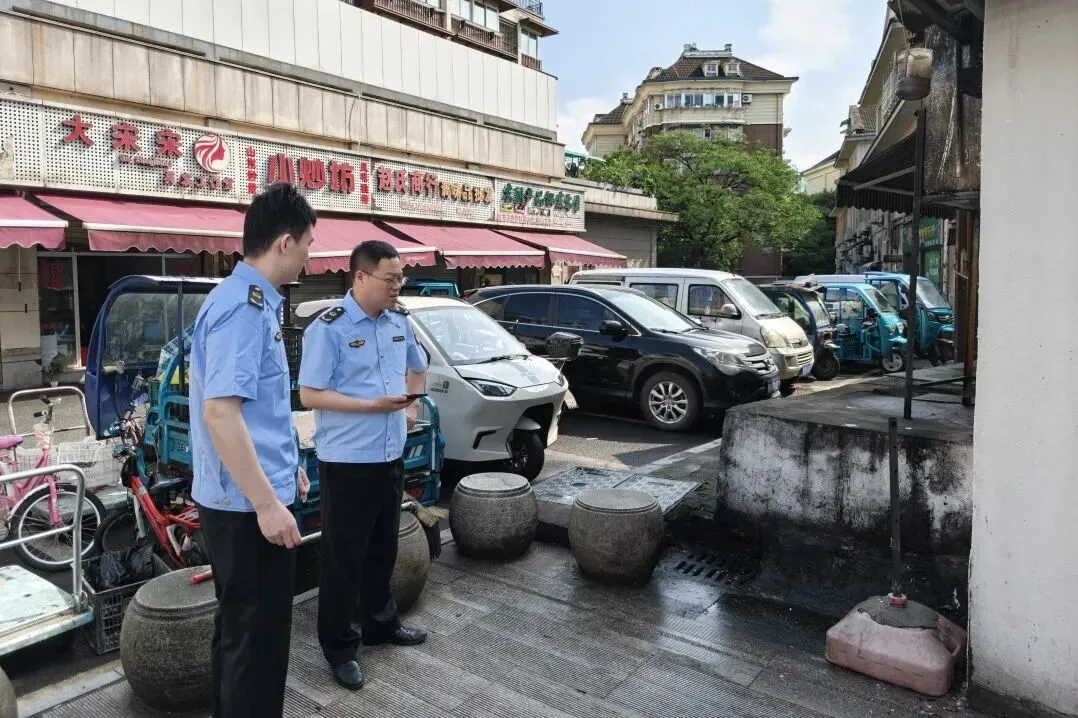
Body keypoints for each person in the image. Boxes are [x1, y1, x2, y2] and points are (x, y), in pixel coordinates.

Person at [189, 182, 316, 718]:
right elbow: (221, 414)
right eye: (308, 243)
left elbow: (260, 407)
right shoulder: (241, 308)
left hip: (251, 496)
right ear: (285, 242)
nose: (310, 256)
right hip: (245, 509)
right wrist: (267, 503)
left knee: (242, 633)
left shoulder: (255, 302)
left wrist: (290, 470)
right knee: (257, 643)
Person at [297, 239, 429, 690]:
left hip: (390, 455)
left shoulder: (398, 321)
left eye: (400, 279)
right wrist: (371, 405)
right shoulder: (328, 328)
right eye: (390, 279)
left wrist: (409, 408)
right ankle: (338, 647)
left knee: (382, 549)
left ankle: (380, 624)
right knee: (342, 559)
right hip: (348, 461)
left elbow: (418, 368)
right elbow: (310, 394)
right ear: (360, 277)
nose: (397, 287)